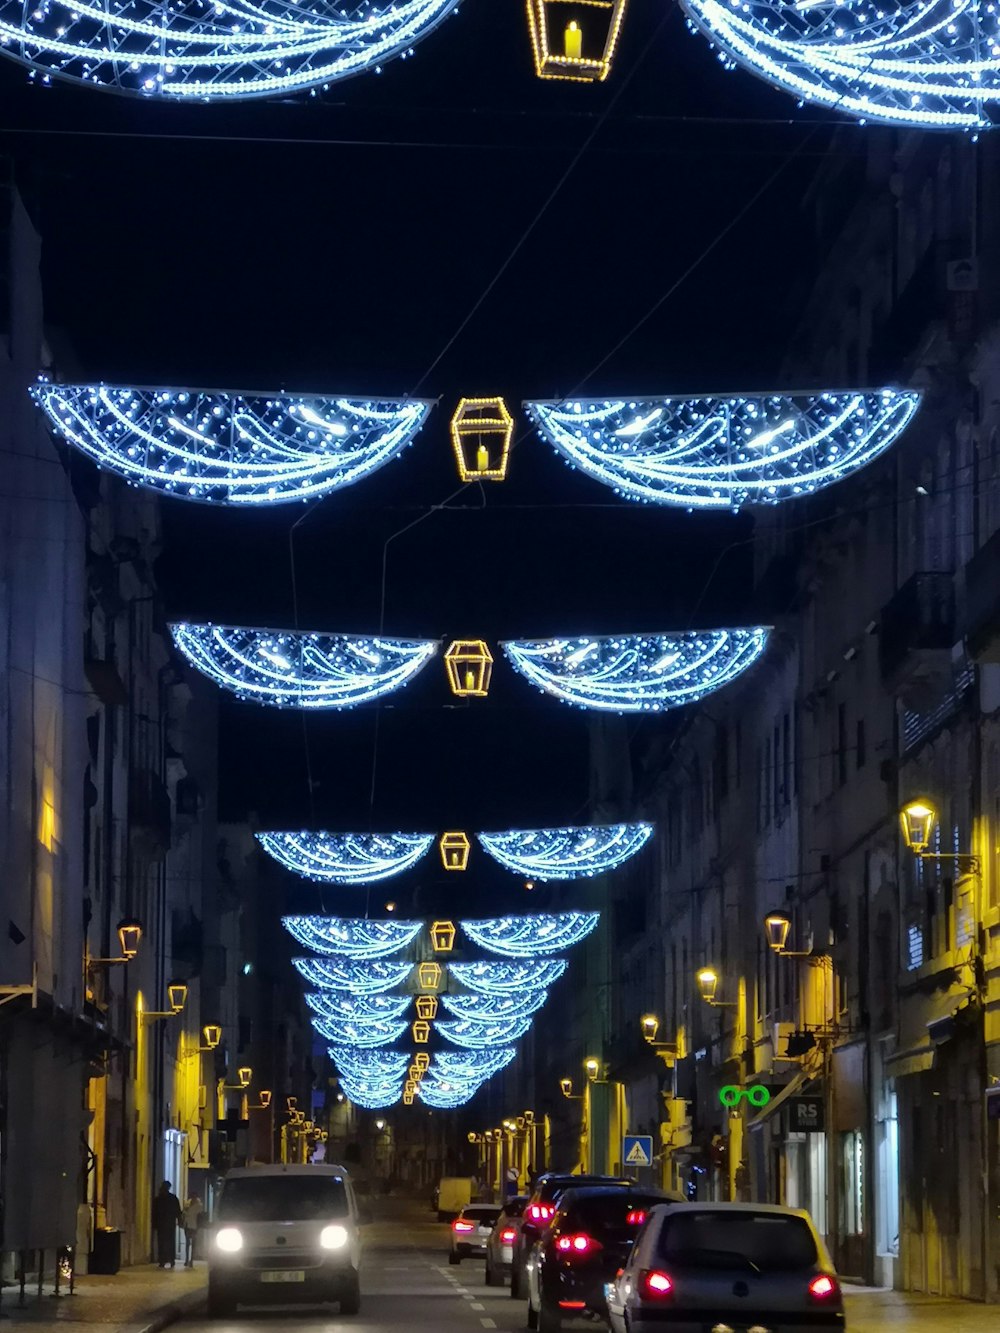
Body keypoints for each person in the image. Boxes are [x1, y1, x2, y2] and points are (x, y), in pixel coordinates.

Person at [152, 1181, 182, 1268]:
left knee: (161, 1242)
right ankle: (171, 1259)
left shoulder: (158, 1199)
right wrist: (179, 1221)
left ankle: (162, 1260)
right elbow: (178, 1211)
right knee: (170, 1242)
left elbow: (154, 1213)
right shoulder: (173, 1198)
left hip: (161, 1224)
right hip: (170, 1224)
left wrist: (154, 1224)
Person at [182, 1194, 203, 1267]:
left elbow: (200, 1217)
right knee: (187, 1243)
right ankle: (187, 1259)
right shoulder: (187, 1204)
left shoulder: (199, 1205)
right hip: (187, 1225)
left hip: (194, 1226)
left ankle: (191, 1260)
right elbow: (184, 1213)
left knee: (193, 1244)